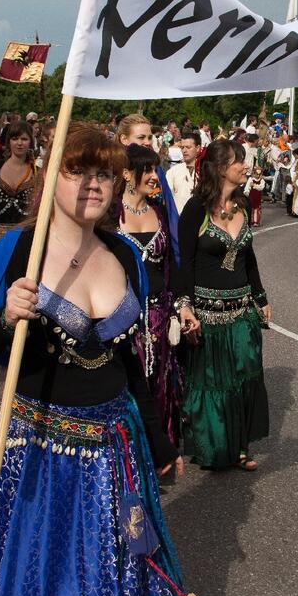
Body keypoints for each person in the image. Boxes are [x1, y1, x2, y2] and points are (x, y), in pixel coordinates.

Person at [0, 123, 197, 596]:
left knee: (113, 587)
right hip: (37, 453)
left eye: (105, 175)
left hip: (114, 450)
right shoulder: (15, 251)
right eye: (77, 172)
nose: (92, 184)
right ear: (50, 178)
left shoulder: (126, 253)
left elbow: (130, 364)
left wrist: (155, 438)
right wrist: (4, 320)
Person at [176, 138, 271, 471]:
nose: (244, 165)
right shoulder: (195, 210)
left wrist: (260, 296)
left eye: (244, 160)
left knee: (245, 377)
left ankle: (241, 447)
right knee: (213, 382)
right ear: (218, 168)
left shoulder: (242, 205)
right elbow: (184, 262)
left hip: (242, 312)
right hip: (208, 316)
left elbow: (249, 255)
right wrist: (184, 305)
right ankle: (213, 447)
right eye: (237, 161)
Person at [116, 143, 184, 465]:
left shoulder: (159, 212)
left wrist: (178, 306)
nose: (153, 175)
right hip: (124, 315)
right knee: (131, 383)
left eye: (155, 168)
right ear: (128, 173)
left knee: (159, 380)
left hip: (158, 313)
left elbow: (171, 265)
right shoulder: (111, 214)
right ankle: (131, 454)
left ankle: (160, 451)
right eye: (146, 169)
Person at [0, 123, 36, 247]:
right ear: (8, 141)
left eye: (24, 139)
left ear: (30, 142)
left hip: (28, 238)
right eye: (15, 139)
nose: (19, 143)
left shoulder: (37, 171)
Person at [167, 133, 200, 213]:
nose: (184, 151)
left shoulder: (206, 170)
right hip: (178, 218)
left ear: (198, 148)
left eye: (188, 147)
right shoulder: (173, 171)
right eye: (182, 147)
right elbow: (168, 197)